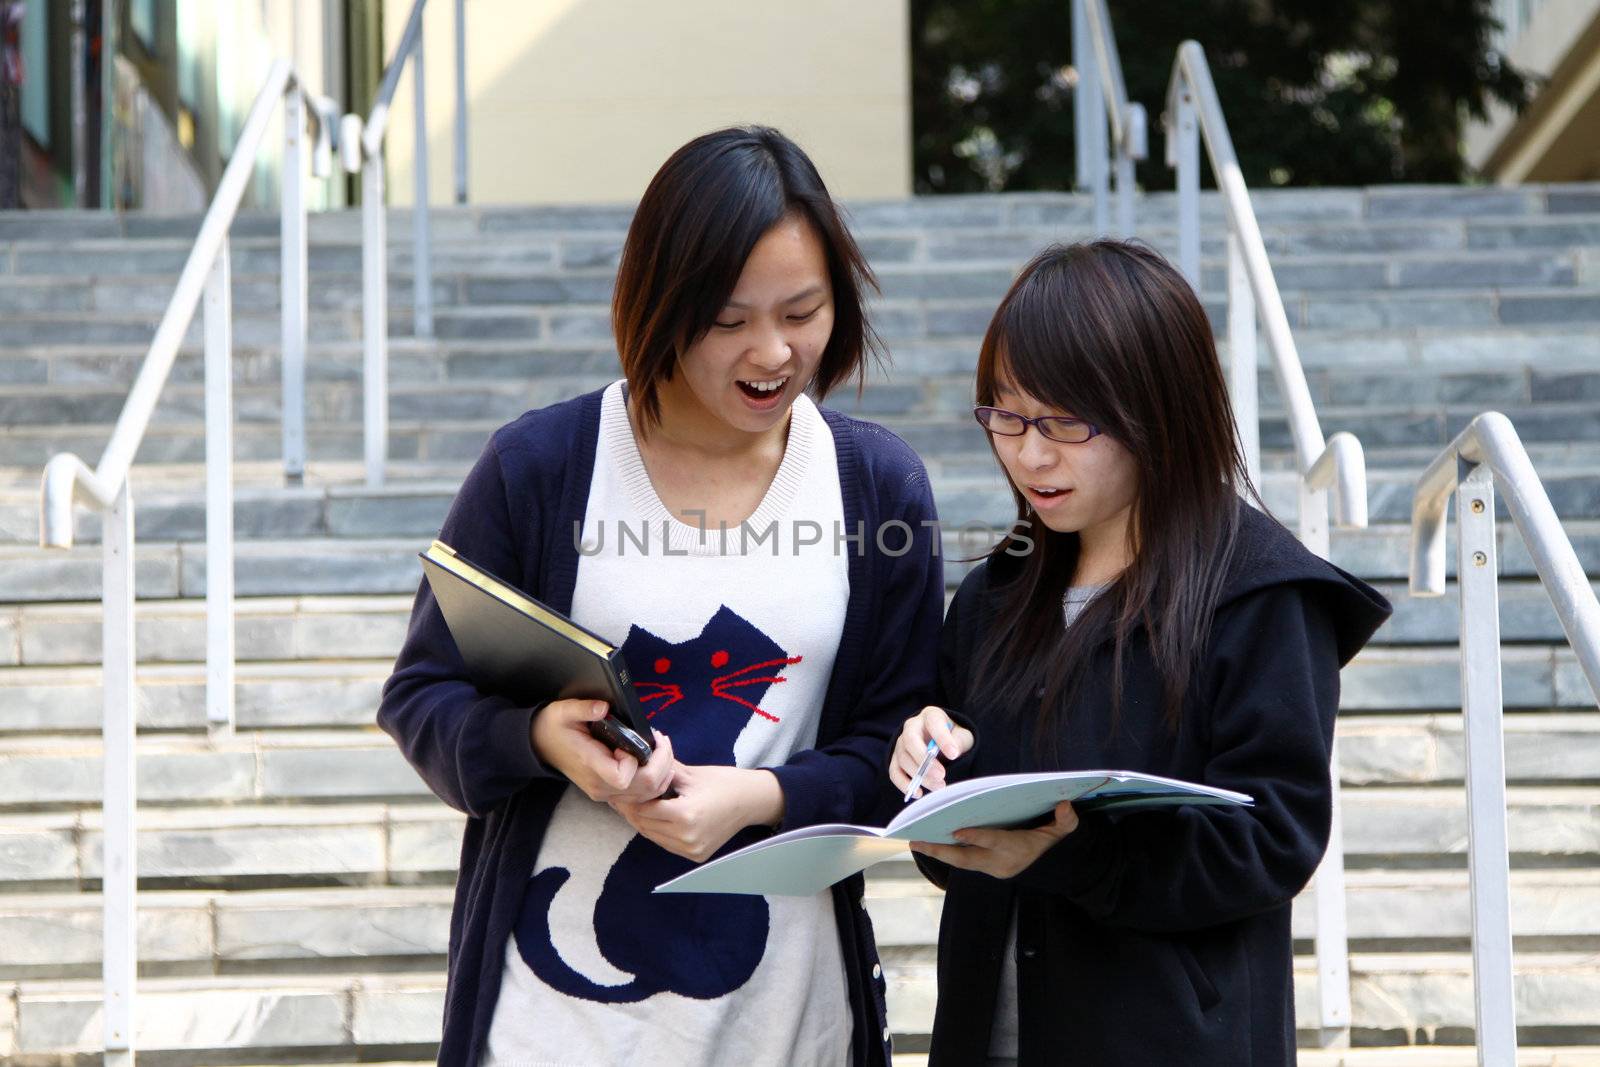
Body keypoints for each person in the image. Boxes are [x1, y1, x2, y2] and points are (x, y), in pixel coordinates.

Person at [378, 125, 944, 1066]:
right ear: (659, 303)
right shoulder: (540, 467)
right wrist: (539, 739)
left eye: (803, 311)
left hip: (788, 1019)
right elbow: (423, 698)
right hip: (546, 1024)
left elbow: (894, 753)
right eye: (728, 320)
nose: (772, 352)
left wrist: (761, 795)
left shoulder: (876, 487)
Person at [887, 240, 1392, 1066]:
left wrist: (1071, 853)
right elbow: (952, 857)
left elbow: (1273, 841)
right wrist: (928, 768)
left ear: (1158, 411)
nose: (1030, 453)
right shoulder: (998, 593)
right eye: (1006, 416)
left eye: (1065, 423)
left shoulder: (1259, 594)